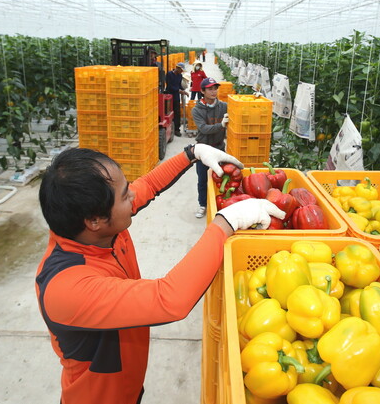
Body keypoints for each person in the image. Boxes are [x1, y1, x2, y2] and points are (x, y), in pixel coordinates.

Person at [36, 145, 284, 404]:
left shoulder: (98, 228)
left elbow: (149, 185)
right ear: (94, 220)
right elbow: (169, 299)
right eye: (125, 196)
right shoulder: (65, 287)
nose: (133, 196)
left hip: (129, 385)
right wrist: (225, 223)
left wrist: (192, 153)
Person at [192, 77, 229, 218]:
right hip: (203, 150)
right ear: (202, 91)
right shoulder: (197, 110)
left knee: (221, 177)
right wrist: (221, 125)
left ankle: (219, 204)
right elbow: (203, 128)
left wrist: (255, 97)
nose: (214, 92)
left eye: (215, 88)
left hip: (219, 148)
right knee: (203, 179)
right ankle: (203, 204)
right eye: (210, 89)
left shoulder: (223, 106)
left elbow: (240, 107)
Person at [164, 62, 189, 137]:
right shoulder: (169, 74)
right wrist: (178, 90)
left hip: (176, 97)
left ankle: (176, 129)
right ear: (177, 68)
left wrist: (183, 91)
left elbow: (179, 86)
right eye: (181, 70)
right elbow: (170, 86)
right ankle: (169, 127)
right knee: (169, 112)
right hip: (169, 96)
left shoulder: (180, 76)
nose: (181, 72)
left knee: (177, 112)